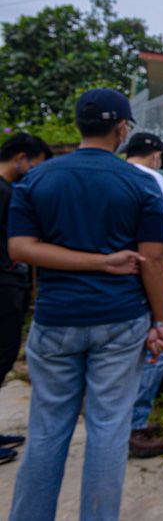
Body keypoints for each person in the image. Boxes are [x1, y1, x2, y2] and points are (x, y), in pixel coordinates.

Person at [7, 88, 163, 521]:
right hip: (121, 320)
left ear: (79, 125)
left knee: (46, 432)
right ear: (122, 128)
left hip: (55, 319)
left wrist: (91, 262)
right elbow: (153, 260)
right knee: (108, 430)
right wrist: (160, 321)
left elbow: (20, 248)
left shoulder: (36, 180)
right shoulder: (140, 183)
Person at [123, 132, 163, 458]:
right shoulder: (151, 178)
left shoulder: (117, 174)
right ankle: (134, 422)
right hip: (150, 274)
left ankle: (123, 419)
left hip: (119, 276)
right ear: (156, 155)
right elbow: (156, 242)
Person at [0, 133, 52, 467]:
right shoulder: (5, 192)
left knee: (4, 356)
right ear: (22, 158)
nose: (35, 173)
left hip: (10, 283)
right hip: (3, 283)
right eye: (35, 165)